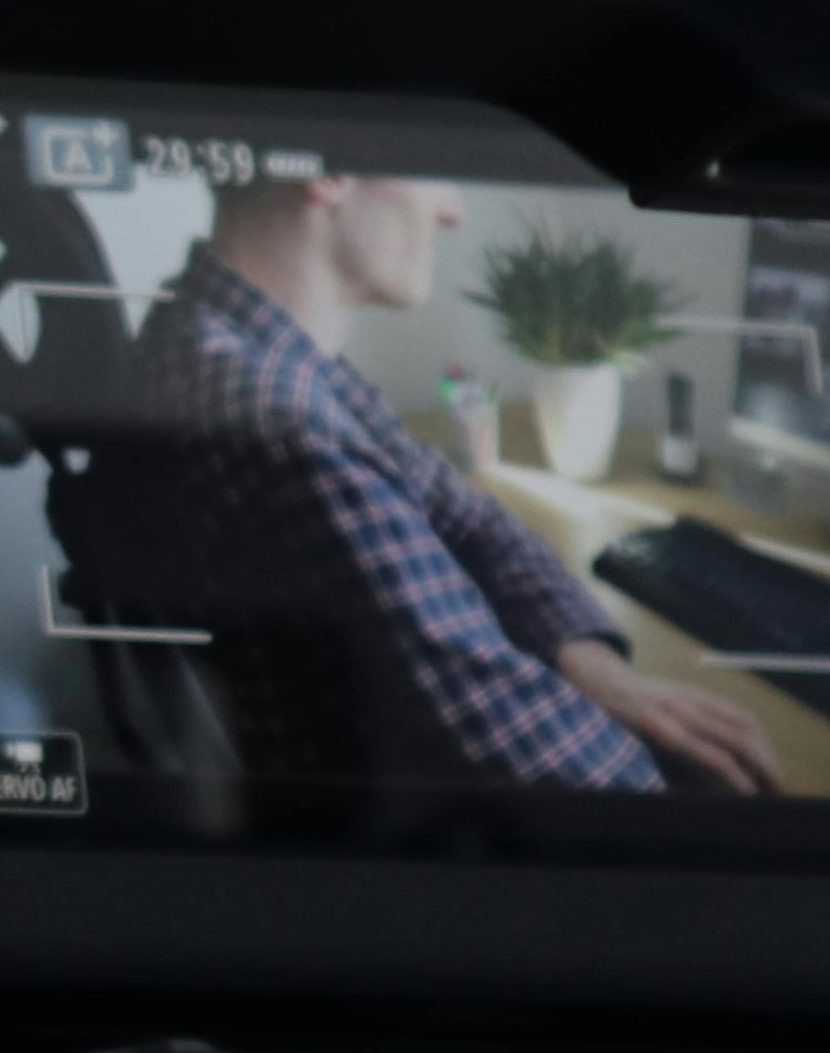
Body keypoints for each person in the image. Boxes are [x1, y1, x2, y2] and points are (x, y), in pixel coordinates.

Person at [104, 170, 782, 798]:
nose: (452, 210)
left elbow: (472, 519)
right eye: (431, 170)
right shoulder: (281, 418)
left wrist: (598, 671)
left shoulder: (250, 346)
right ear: (328, 175)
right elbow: (581, 782)